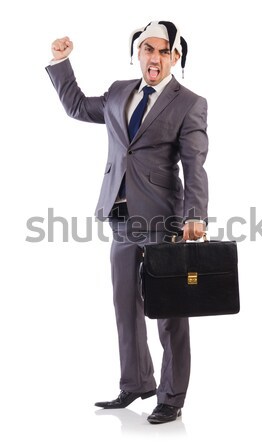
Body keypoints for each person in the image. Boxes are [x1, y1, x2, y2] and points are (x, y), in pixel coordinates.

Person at [46, 20, 208, 424]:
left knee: (170, 313)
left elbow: (195, 165)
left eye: (164, 52)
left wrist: (196, 216)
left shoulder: (189, 102)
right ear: (138, 54)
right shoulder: (120, 92)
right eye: (148, 50)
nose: (155, 58)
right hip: (119, 217)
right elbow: (78, 107)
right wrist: (61, 62)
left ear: (176, 57)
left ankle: (171, 396)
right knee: (125, 305)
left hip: (163, 221)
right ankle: (136, 383)